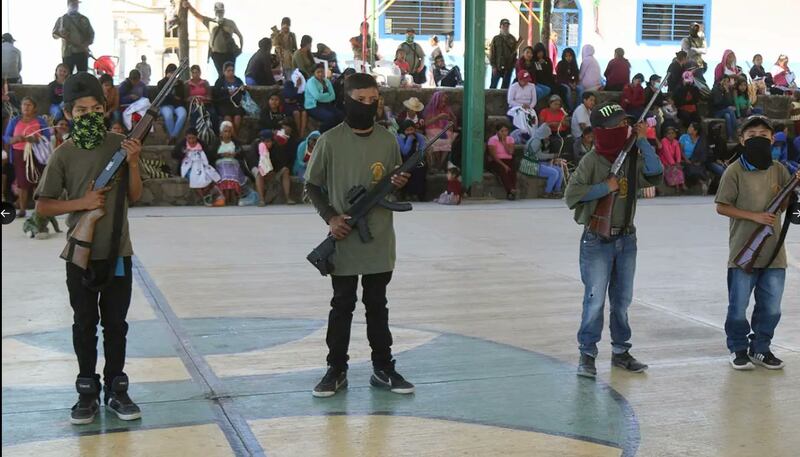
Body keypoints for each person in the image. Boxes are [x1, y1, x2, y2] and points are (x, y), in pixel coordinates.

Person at [34, 71, 143, 425]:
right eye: (81, 110)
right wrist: (82, 202)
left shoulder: (118, 145)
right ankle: (86, 389)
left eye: (97, 108)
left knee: (116, 325)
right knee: (84, 324)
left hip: (118, 252)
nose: (90, 116)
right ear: (68, 114)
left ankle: (116, 386)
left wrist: (134, 162)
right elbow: (43, 207)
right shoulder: (63, 154)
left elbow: (135, 196)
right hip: (80, 253)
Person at [303, 72, 414, 398]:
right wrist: (331, 217)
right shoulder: (330, 140)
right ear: (346, 100)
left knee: (377, 304)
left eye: (373, 100)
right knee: (342, 305)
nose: (368, 105)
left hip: (379, 238)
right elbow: (312, 184)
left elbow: (391, 185)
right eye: (360, 100)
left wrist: (398, 185)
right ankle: (336, 369)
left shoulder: (387, 140)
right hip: (344, 238)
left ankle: (383, 367)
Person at [564, 102, 664, 378]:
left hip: (626, 239)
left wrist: (643, 143)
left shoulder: (631, 157)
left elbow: (656, 174)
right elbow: (572, 196)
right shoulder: (592, 161)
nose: (625, 128)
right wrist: (602, 188)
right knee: (595, 300)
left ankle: (621, 351)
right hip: (597, 241)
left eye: (626, 124)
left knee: (622, 300)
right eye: (618, 125)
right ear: (603, 131)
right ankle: (587, 354)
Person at [715, 115, 800, 370]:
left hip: (774, 253)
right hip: (743, 250)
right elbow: (721, 206)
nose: (758, 139)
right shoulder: (734, 171)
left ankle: (761, 348)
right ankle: (738, 348)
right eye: (752, 136)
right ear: (741, 140)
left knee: (771, 308)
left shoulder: (779, 169)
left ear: (773, 139)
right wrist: (755, 216)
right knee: (738, 307)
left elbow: (785, 207)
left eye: (764, 135)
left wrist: (792, 190)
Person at [3, 96, 50, 217]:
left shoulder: (40, 121)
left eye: (29, 105)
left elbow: (47, 138)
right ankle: (22, 209)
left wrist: (36, 139)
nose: (26, 107)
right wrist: (14, 139)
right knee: (22, 182)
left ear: (35, 108)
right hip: (20, 154)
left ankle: (38, 209)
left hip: (36, 154)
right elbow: (6, 137)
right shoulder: (15, 120)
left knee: (36, 180)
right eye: (24, 104)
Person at [183, 1, 243, 77]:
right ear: (215, 11)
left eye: (221, 11)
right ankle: (221, 88)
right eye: (218, 11)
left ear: (223, 11)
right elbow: (197, 15)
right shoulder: (210, 22)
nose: (219, 13)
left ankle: (230, 88)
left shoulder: (230, 23)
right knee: (221, 74)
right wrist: (189, 6)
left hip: (229, 53)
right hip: (217, 54)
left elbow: (240, 36)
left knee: (230, 74)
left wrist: (240, 49)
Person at [175, 127, 224, 206]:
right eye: (189, 138)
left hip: (200, 165)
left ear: (196, 137)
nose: (191, 140)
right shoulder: (182, 144)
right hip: (187, 167)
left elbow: (209, 156)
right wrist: (184, 153)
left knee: (208, 176)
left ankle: (208, 195)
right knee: (193, 178)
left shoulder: (201, 144)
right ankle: (204, 198)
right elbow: (174, 154)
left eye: (193, 138)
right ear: (186, 137)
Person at [245, 129, 295, 206]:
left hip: (272, 171)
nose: (267, 143)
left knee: (285, 170)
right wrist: (264, 170)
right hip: (258, 169)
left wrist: (272, 171)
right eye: (265, 141)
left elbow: (279, 163)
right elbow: (253, 162)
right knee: (259, 172)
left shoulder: (275, 147)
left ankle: (288, 198)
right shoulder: (255, 146)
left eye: (269, 141)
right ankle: (261, 199)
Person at [522, 123, 566, 198]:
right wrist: (553, 155)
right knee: (554, 173)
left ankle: (557, 191)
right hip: (530, 166)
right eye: (548, 135)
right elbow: (538, 155)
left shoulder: (539, 140)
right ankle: (547, 192)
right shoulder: (536, 141)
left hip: (538, 163)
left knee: (559, 170)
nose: (548, 137)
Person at [52, 0, 95, 74]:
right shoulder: (62, 19)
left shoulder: (84, 19)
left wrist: (86, 44)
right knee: (68, 76)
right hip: (68, 53)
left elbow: (91, 34)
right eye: (73, 4)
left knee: (82, 76)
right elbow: (54, 35)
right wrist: (61, 34)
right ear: (68, 4)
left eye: (76, 4)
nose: (75, 6)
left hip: (82, 52)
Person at [422, 91, 458, 171]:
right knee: (436, 141)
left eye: (445, 101)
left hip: (444, 131)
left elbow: (454, 122)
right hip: (432, 130)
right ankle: (439, 164)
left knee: (448, 141)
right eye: (442, 101)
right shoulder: (430, 109)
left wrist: (452, 119)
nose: (444, 103)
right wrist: (438, 117)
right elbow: (426, 123)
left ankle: (440, 165)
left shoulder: (447, 109)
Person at [213, 120, 246, 204]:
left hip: (233, 163)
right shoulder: (217, 142)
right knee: (225, 174)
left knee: (232, 173)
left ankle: (232, 194)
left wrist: (235, 154)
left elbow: (241, 153)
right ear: (221, 133)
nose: (227, 134)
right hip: (221, 165)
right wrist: (222, 155)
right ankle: (226, 196)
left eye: (229, 131)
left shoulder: (235, 143)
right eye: (225, 131)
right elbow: (211, 155)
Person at [305, 64, 344, 133]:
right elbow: (317, 97)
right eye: (318, 72)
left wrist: (323, 96)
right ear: (314, 73)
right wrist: (327, 94)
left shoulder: (326, 81)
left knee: (341, 115)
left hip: (325, 105)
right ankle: (321, 132)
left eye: (322, 72)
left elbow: (333, 96)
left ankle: (336, 132)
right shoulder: (311, 82)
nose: (320, 74)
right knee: (330, 117)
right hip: (313, 106)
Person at [396, 119, 427, 201]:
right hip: (404, 160)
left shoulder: (419, 136)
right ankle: (406, 193)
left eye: (412, 129)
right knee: (406, 171)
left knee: (421, 168)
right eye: (408, 130)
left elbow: (422, 150)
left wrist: (418, 157)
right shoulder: (399, 137)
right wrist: (409, 139)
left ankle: (418, 194)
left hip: (416, 159)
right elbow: (405, 151)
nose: (410, 132)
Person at [156, 64, 187, 145]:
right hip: (165, 105)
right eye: (170, 73)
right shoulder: (161, 83)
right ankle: (173, 139)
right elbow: (162, 97)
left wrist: (174, 95)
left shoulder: (179, 83)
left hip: (178, 105)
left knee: (183, 114)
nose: (173, 75)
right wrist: (173, 96)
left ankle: (172, 137)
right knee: (168, 115)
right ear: (167, 73)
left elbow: (181, 97)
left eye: (174, 73)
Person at [213, 61, 246, 136]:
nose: (231, 72)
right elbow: (216, 93)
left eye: (232, 70)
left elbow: (243, 93)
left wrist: (241, 89)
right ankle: (235, 139)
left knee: (237, 117)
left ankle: (234, 136)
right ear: (224, 71)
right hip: (224, 104)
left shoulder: (238, 80)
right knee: (228, 119)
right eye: (228, 71)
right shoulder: (220, 81)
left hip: (235, 104)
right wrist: (227, 92)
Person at [486, 123, 517, 200]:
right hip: (497, 161)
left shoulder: (510, 139)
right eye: (502, 131)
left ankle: (511, 191)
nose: (504, 133)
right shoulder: (492, 140)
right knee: (503, 171)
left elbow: (511, 152)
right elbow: (493, 156)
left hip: (508, 159)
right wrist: (504, 165)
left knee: (512, 171)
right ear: (497, 132)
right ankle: (511, 190)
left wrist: (504, 143)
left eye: (506, 131)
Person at [187, 65, 217, 133]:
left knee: (213, 114)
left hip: (206, 103)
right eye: (193, 72)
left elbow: (210, 96)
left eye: (197, 72)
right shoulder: (187, 84)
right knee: (194, 115)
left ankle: (215, 135)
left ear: (200, 73)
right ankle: (193, 135)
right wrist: (193, 98)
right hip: (194, 105)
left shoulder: (205, 83)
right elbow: (186, 98)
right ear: (191, 73)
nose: (195, 74)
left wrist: (204, 97)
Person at [489, 19, 518, 89]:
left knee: (505, 88)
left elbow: (515, 53)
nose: (506, 27)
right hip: (497, 66)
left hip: (508, 67)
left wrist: (513, 65)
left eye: (507, 25)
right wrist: (493, 66)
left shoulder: (512, 39)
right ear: (500, 26)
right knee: (493, 86)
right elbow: (492, 53)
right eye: (504, 25)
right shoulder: (496, 39)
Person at [659, 126, 686, 193]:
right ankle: (678, 186)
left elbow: (678, 153)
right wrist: (673, 163)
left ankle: (682, 184)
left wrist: (678, 162)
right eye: (669, 133)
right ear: (665, 134)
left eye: (672, 133)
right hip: (664, 161)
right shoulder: (664, 141)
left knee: (678, 168)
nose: (670, 135)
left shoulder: (676, 142)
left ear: (675, 134)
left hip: (673, 161)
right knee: (672, 169)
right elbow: (666, 153)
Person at [712, 75, 738, 140]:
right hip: (716, 112)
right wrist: (728, 107)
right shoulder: (716, 89)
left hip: (724, 111)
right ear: (721, 81)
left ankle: (730, 137)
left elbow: (730, 102)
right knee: (730, 111)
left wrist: (727, 92)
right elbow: (717, 103)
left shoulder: (728, 90)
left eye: (728, 81)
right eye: (725, 81)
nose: (726, 83)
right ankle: (737, 128)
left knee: (728, 116)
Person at [273, 17, 298, 81]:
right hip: (280, 62)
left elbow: (295, 48)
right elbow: (276, 47)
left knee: (290, 80)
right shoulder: (277, 35)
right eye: (284, 25)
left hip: (290, 62)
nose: (286, 27)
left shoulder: (292, 35)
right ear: (281, 25)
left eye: (287, 25)